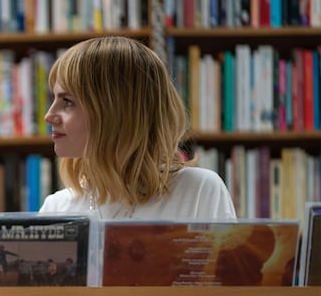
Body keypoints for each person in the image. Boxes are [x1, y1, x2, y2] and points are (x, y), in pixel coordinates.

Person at [39, 36, 236, 220]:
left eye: (67, 102)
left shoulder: (198, 191)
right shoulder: (56, 209)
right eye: (53, 98)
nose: (49, 116)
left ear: (115, 110)